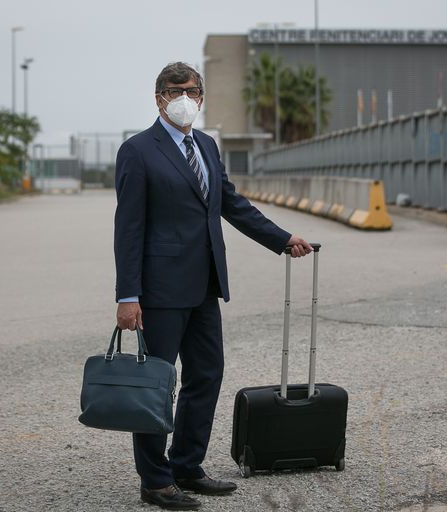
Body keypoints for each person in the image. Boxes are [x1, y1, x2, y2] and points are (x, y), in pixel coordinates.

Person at [114, 61, 312, 511]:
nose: (184, 97)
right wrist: (128, 296)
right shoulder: (138, 150)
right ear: (159, 97)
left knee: (206, 374)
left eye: (192, 90)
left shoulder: (206, 144)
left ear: (201, 97)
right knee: (156, 386)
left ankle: (186, 464)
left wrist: (282, 240)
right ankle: (155, 480)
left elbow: (232, 204)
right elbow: (127, 228)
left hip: (204, 285)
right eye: (174, 89)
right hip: (158, 291)